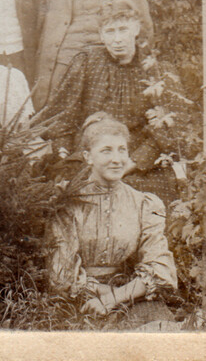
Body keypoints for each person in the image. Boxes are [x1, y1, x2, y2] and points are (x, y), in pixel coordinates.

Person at [37, 0, 180, 206]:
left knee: (145, 199)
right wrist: (64, 155)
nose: (117, 39)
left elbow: (170, 128)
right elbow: (62, 117)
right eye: (110, 32)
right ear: (101, 35)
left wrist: (132, 163)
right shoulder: (86, 62)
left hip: (138, 163)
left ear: (136, 29)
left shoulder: (157, 71)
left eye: (123, 29)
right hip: (89, 159)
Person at [48, 112, 177, 328]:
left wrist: (114, 298)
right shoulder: (67, 201)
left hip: (130, 295)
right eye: (106, 151)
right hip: (78, 299)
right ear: (87, 156)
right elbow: (62, 276)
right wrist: (104, 295)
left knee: (162, 335)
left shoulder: (143, 203)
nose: (117, 160)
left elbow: (160, 267)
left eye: (122, 150)